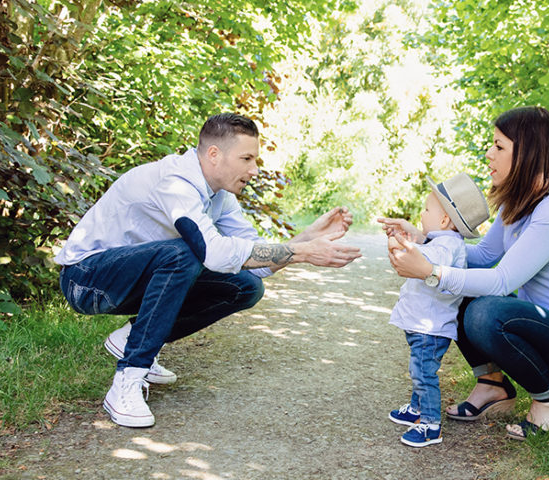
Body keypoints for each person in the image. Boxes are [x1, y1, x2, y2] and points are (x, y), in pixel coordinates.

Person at [55, 113, 362, 428]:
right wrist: (304, 252)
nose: (254, 170)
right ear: (214, 154)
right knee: (186, 254)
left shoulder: (221, 196)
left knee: (245, 287)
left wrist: (306, 238)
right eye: (246, 158)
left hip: (129, 280)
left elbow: (253, 263)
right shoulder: (175, 183)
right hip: (85, 279)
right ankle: (127, 379)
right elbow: (212, 253)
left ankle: (134, 336)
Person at [379, 106, 549, 441]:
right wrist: (422, 239)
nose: (489, 154)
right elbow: (480, 257)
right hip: (540, 328)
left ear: (530, 153)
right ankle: (493, 386)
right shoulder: (516, 204)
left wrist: (431, 271)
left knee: (486, 312)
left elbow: (502, 280)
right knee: (461, 290)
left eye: (500, 147)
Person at [385, 173, 489, 448]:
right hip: (423, 325)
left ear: (444, 221)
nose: (422, 212)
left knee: (423, 373)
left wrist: (404, 246)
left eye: (428, 209)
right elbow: (426, 252)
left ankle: (431, 424)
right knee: (420, 368)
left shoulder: (446, 245)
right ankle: (417, 409)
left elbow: (428, 264)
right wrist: (412, 238)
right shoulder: (442, 242)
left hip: (430, 328)